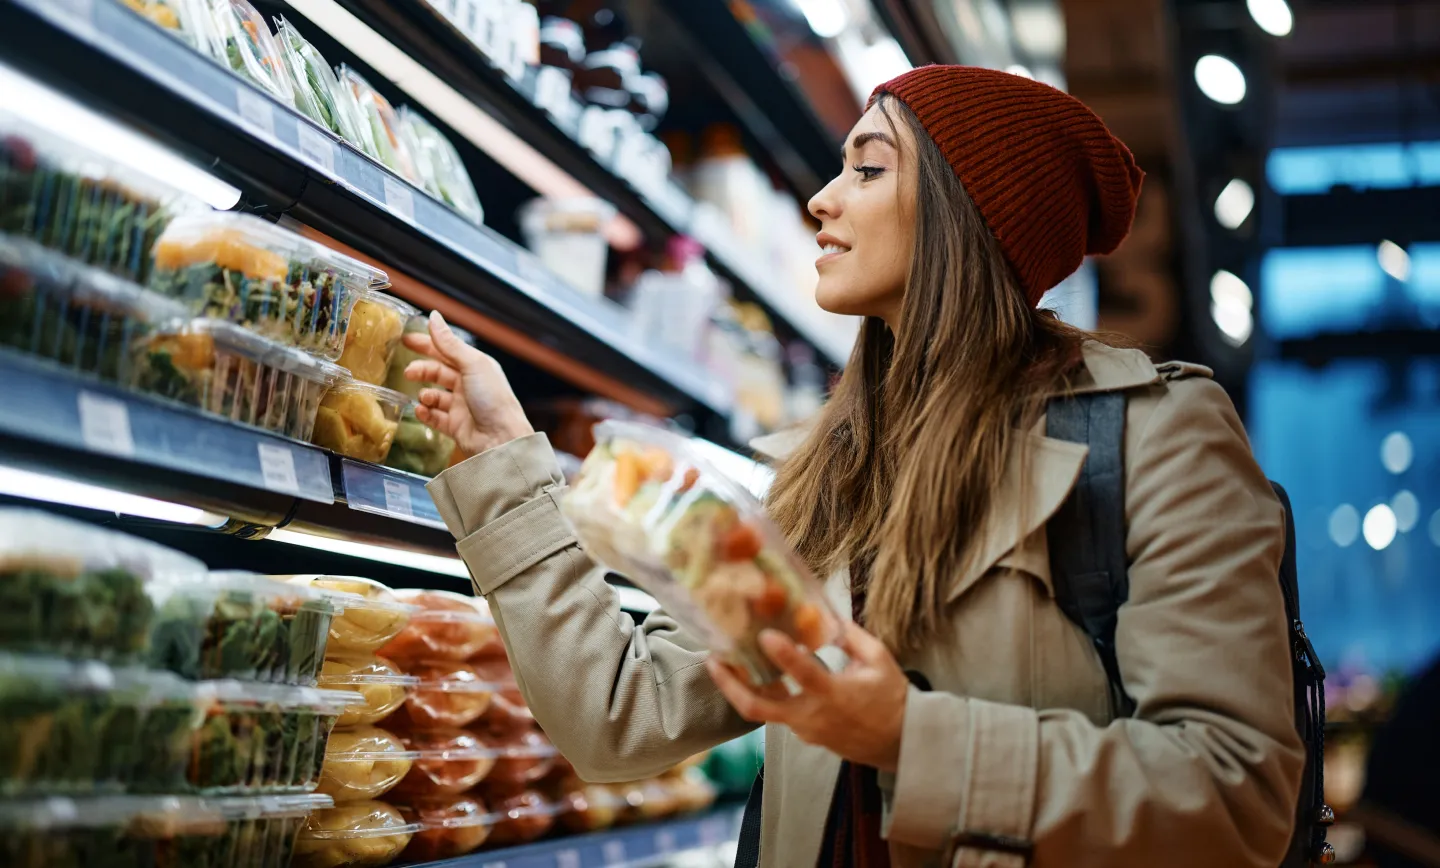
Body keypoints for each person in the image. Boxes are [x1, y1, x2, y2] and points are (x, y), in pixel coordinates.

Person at [409, 65, 1304, 868]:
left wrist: (911, 739)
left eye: (868, 169)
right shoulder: (822, 477)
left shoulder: (1155, 437)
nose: (821, 202)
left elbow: (1237, 795)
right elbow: (621, 717)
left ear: (968, 210)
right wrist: (502, 467)